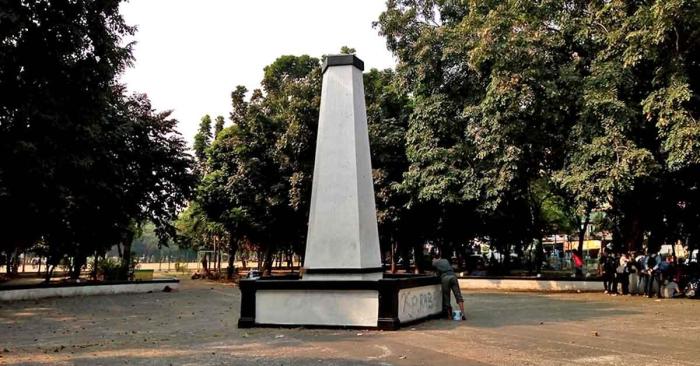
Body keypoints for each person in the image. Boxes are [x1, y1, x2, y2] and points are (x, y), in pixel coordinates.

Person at [432, 253, 466, 320]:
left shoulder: (434, 262)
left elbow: (437, 274)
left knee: (446, 297)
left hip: (445, 278)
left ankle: (449, 316)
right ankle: (463, 314)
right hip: (453, 276)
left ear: (434, 258)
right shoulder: (445, 260)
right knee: (458, 295)